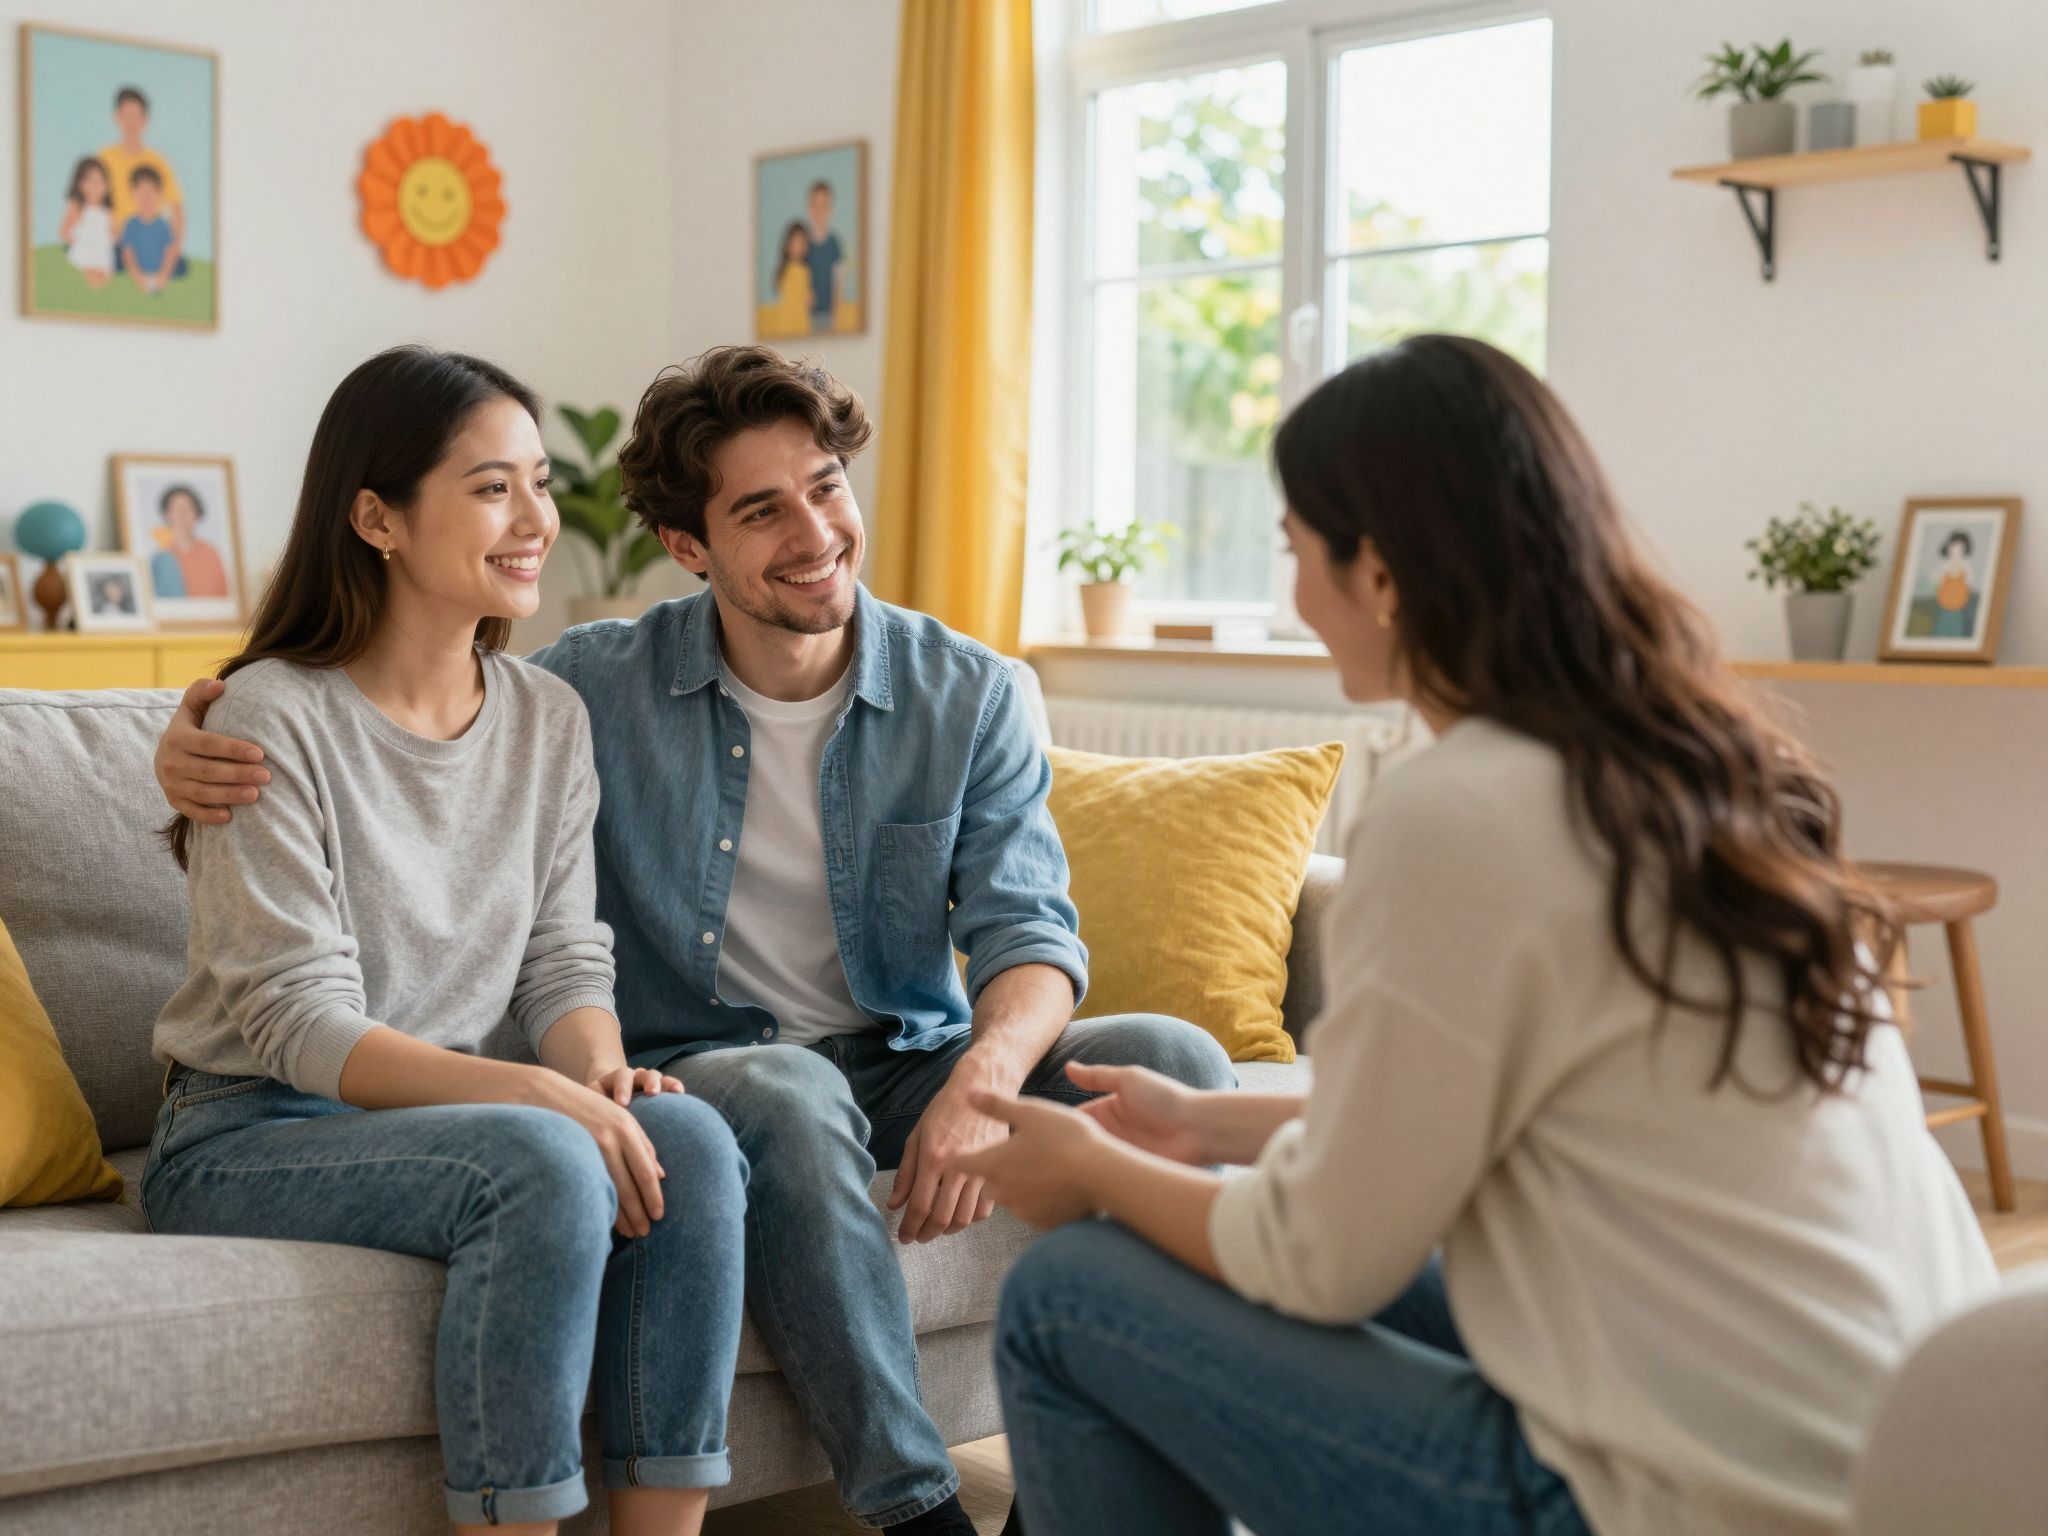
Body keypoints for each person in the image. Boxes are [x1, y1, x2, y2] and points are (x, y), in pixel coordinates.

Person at [154, 344, 1235, 1536]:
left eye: (825, 486)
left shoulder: (965, 692)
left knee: (1173, 1065)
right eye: (761, 510)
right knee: (758, 1099)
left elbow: (1025, 928)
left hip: (901, 1056)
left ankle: (1081, 1502)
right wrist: (188, 727)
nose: (813, 531)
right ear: (689, 548)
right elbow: (364, 702)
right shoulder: (599, 687)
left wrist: (979, 1078)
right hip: (727, 1063)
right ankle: (919, 1513)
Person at [953, 334, 2000, 1536]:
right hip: (1891, 1460)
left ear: (1382, 574)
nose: (1294, 594)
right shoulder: (1704, 768)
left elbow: (1317, 1258)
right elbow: (1551, 1112)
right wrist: (1204, 1120)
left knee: (1068, 1294)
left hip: (1675, 1504)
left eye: (1297, 552)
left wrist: (1094, 1172)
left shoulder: (1462, 815)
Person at [142, 346, 750, 1536]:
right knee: (538, 1158)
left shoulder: (546, 715)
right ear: (376, 517)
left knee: (688, 1138)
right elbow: (293, 1023)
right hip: (249, 1126)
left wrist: (594, 1073)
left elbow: (564, 960)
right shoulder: (271, 715)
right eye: (490, 488)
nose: (535, 519)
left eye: (536, 480)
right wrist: (538, 1098)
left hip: (451, 1112)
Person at [98, 85, 184, 251]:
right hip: (112, 241)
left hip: (148, 242)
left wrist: (173, 248)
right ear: (117, 118)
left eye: (136, 116)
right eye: (126, 116)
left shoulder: (158, 161)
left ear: (145, 120)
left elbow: (177, 209)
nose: (131, 122)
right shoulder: (104, 157)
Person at [148, 483, 230, 600]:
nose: (182, 514)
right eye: (176, 509)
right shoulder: (160, 558)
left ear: (196, 514)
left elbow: (223, 597)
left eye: (187, 509)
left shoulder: (210, 553)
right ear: (167, 515)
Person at [117, 166, 184, 295]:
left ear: (159, 195)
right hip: (139, 272)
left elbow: (170, 252)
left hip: (159, 272)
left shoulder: (163, 225)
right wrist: (137, 277)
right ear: (133, 194)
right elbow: (128, 254)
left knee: (181, 267)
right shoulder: (131, 224)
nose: (146, 195)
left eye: (151, 190)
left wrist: (164, 275)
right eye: (141, 190)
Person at [59, 156, 115, 288]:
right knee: (90, 278)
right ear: (79, 184)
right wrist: (75, 239)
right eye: (89, 180)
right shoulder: (77, 207)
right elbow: (64, 231)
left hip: (102, 253)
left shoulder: (107, 211)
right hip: (84, 251)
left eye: (100, 180)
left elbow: (113, 232)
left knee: (103, 279)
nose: (95, 185)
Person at [804, 179, 845, 332]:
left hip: (828, 313)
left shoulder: (834, 242)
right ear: (809, 208)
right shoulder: (805, 243)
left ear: (830, 209)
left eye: (823, 206)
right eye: (816, 205)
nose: (819, 211)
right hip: (807, 314)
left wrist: (836, 311)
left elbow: (838, 278)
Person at [768, 220, 814, 334]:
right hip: (788, 321)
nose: (798, 247)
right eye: (795, 242)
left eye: (802, 242)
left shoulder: (804, 270)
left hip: (799, 321)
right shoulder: (789, 270)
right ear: (787, 244)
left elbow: (807, 298)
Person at [1931, 530, 1976, 638]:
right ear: (1948, 548)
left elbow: (1971, 585)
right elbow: (1935, 579)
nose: (1956, 551)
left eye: (1960, 549)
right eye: (1954, 547)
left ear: (1964, 550)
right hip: (1944, 607)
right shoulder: (1944, 565)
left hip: (1959, 608)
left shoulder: (1966, 567)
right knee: (1941, 630)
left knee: (1957, 631)